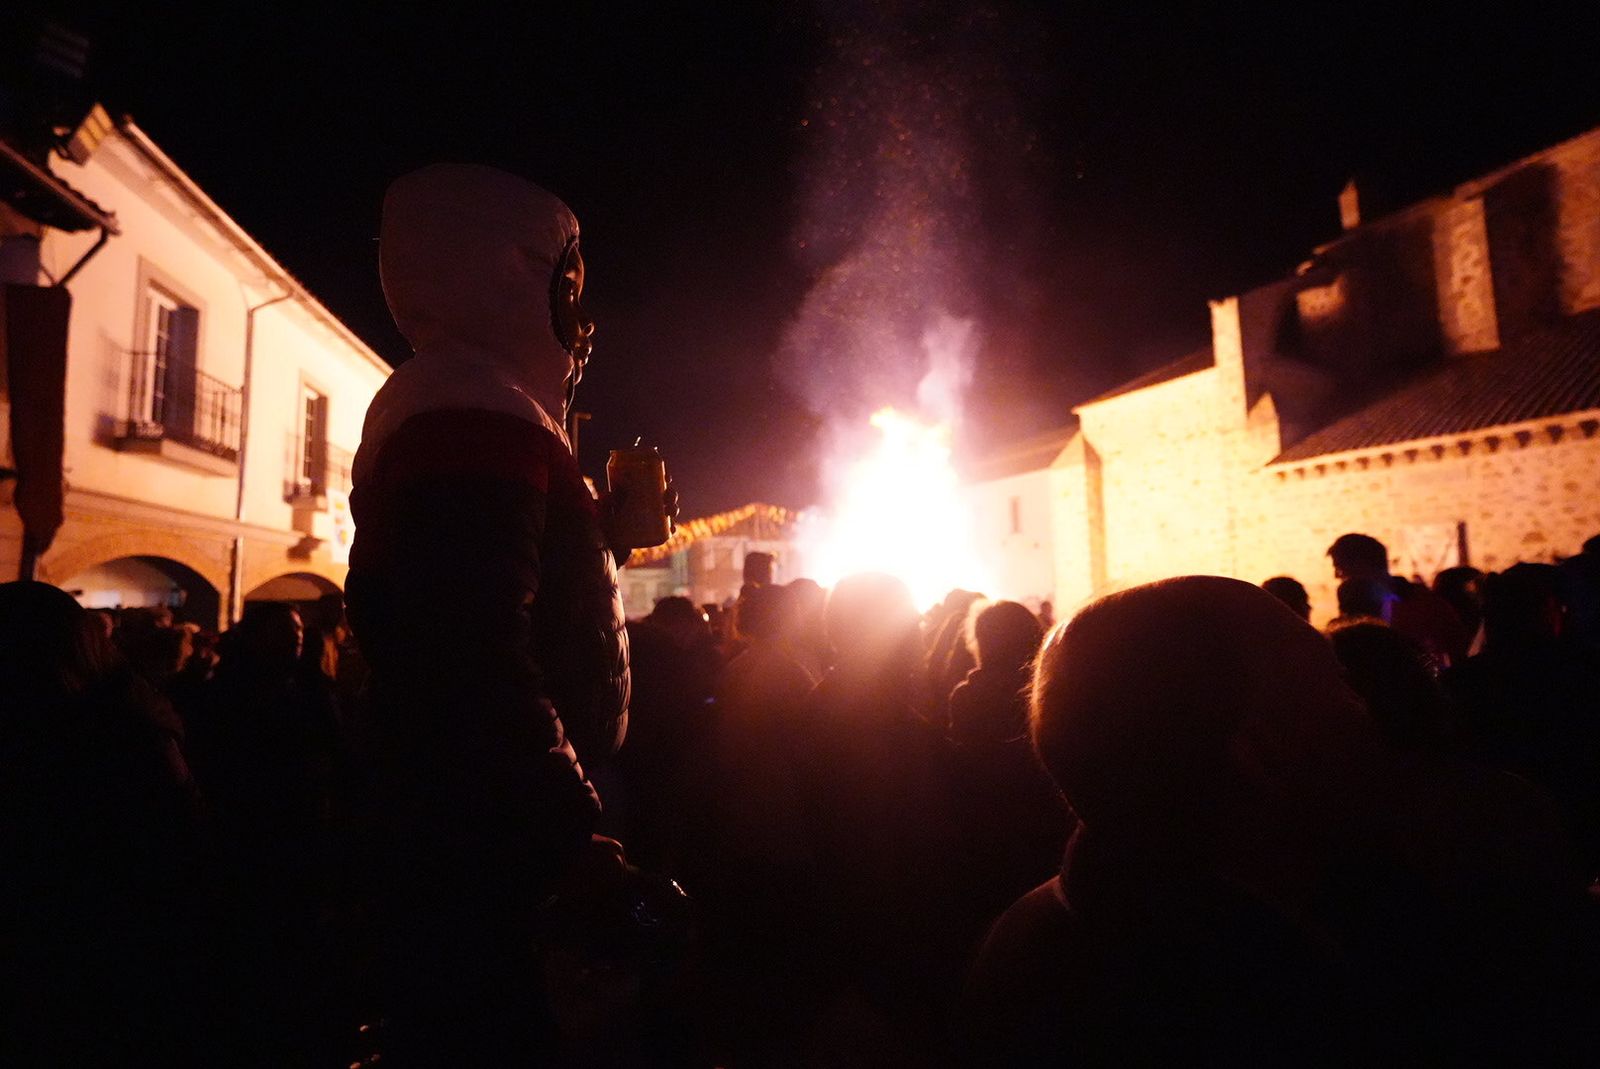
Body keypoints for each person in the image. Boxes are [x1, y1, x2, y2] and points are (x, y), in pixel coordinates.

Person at [344, 164, 658, 1062]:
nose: (584, 319)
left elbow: (486, 594)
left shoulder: (471, 397)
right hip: (499, 836)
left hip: (488, 813)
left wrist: (605, 546)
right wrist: (566, 830)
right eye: (570, 288)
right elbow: (468, 648)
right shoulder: (471, 404)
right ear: (510, 277)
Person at [1327, 533, 1469, 666]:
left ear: (1361, 565)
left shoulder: (1422, 604)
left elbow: (1457, 652)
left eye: (1340, 568)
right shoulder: (1354, 606)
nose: (1337, 576)